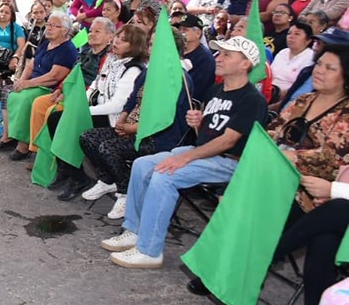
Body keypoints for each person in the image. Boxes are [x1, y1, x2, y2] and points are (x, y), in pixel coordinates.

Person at [100, 36, 268, 269]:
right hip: (202, 152)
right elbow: (206, 135)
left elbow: (228, 141)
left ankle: (150, 251)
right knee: (141, 165)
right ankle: (134, 231)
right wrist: (198, 122)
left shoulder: (252, 99)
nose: (218, 58)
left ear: (245, 64)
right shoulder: (216, 90)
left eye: (227, 55)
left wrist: (183, 158)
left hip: (229, 162)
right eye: (219, 53)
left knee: (164, 174)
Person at [264, 45, 349, 305]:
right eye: (320, 64)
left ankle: (265, 256)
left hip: (318, 196)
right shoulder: (303, 101)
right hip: (293, 189)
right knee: (322, 243)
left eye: (330, 67)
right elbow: (274, 132)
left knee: (326, 231)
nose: (319, 71)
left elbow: (331, 157)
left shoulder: (346, 113)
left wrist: (293, 157)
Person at [80, 27, 193, 220]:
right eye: (149, 44)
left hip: (159, 137)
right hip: (134, 128)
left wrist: (132, 129)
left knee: (108, 147)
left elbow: (165, 118)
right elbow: (131, 101)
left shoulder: (179, 78)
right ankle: (109, 179)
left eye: (154, 45)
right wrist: (123, 121)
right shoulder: (149, 72)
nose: (149, 49)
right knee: (88, 137)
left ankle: (125, 192)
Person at [54, 24, 149, 201]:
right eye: (118, 37)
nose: (117, 41)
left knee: (63, 120)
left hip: (113, 119)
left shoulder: (134, 69)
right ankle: (70, 171)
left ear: (134, 45)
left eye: (124, 40)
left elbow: (117, 106)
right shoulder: (111, 60)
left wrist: (84, 111)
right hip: (99, 111)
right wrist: (80, 106)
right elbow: (95, 86)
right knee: (56, 117)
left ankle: (80, 177)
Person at [0, 11, 78, 161]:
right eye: (49, 24)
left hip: (48, 88)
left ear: (65, 30)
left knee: (26, 99)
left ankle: (24, 144)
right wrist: (21, 81)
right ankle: (11, 136)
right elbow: (31, 65)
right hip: (33, 83)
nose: (49, 28)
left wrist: (28, 84)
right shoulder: (46, 44)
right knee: (11, 92)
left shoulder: (67, 49)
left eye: (54, 26)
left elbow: (54, 77)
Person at [173, 13, 216, 104]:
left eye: (185, 30)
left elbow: (196, 91)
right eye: (179, 29)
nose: (181, 32)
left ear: (198, 33)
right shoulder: (175, 51)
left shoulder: (204, 58)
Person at [270, 21, 316, 103]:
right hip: (270, 91)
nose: (291, 37)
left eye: (297, 34)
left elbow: (299, 87)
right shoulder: (282, 52)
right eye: (289, 33)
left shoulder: (310, 56)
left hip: (289, 98)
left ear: (308, 40)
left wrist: (277, 97)